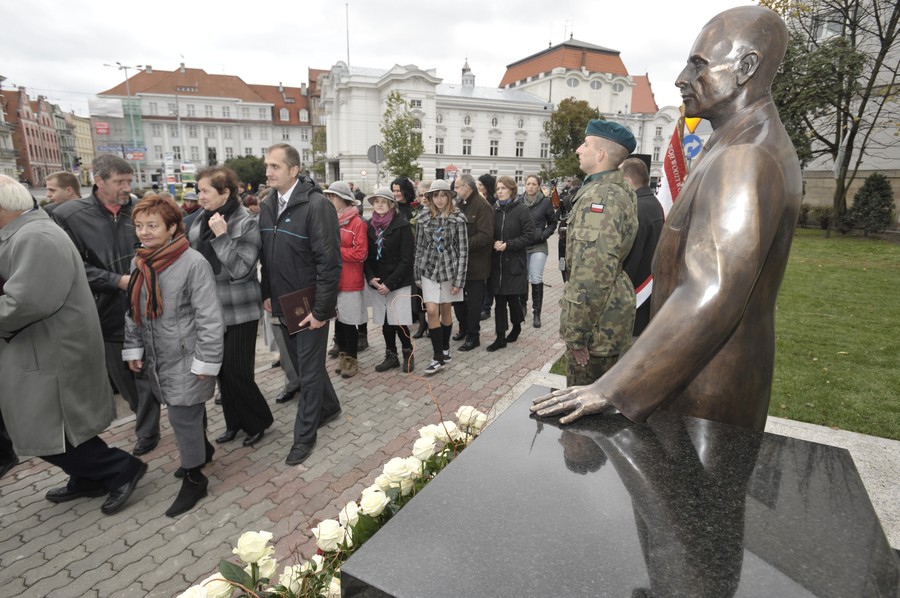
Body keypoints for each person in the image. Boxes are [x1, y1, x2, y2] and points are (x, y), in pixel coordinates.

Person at [532, 6, 802, 432]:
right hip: (698, 372)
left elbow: (710, 290)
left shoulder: (745, 157)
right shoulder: (738, 141)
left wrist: (612, 387)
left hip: (707, 388)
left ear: (747, 67)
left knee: (696, 498)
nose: (681, 77)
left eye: (699, 64)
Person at [0, 175, 146, 515]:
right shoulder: (25, 233)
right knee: (49, 426)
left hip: (50, 351)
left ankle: (120, 469)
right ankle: (87, 476)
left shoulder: (34, 237)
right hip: (41, 347)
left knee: (45, 427)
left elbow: (27, 303)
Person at [52, 154, 162, 457]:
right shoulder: (69, 216)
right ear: (98, 180)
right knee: (125, 376)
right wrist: (116, 281)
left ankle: (148, 430)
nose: (127, 188)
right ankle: (144, 419)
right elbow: (70, 266)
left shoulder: (140, 210)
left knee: (147, 372)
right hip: (105, 311)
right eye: (119, 182)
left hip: (146, 306)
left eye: (129, 181)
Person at [124, 195, 224, 517]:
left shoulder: (193, 263)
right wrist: (134, 348)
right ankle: (203, 450)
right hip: (158, 355)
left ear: (172, 227)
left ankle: (195, 478)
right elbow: (133, 310)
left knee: (182, 416)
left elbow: (210, 317)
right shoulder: (140, 262)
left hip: (186, 356)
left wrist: (206, 362)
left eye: (152, 225)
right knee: (188, 412)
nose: (144, 232)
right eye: (139, 225)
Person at [259, 143, 342, 466]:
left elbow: (329, 263)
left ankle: (304, 436)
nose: (268, 172)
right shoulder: (268, 205)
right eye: (267, 166)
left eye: (275, 166)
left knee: (307, 374)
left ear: (293, 170)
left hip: (308, 304)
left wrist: (321, 311)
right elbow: (267, 254)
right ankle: (330, 407)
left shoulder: (317, 206)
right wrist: (267, 292)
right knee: (304, 366)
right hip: (282, 302)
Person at [190, 166, 273, 448]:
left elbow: (241, 269)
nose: (199, 196)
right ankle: (234, 423)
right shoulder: (199, 221)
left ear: (225, 192)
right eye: (198, 190)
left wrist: (222, 237)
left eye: (205, 191)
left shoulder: (245, 222)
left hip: (240, 311)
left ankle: (259, 420)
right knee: (222, 373)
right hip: (210, 311)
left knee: (238, 373)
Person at [554, 121, 638, 385]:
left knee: (585, 409)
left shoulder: (601, 198)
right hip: (604, 320)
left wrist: (578, 335)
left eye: (586, 144)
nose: (579, 149)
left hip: (597, 329)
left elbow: (593, 274)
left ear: (600, 154)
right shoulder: (610, 190)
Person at [414, 179, 468, 374]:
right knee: (431, 310)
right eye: (435, 195)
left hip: (449, 270)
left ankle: (445, 347)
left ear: (449, 197)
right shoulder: (423, 218)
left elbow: (463, 250)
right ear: (429, 198)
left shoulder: (458, 219)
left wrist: (459, 280)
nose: (439, 199)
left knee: (446, 310)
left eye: (443, 195)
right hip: (428, 269)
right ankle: (438, 356)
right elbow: (419, 247)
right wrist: (417, 273)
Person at [365, 187, 416, 373]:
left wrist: (390, 283)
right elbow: (367, 257)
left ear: (391, 204)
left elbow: (406, 259)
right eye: (376, 201)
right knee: (386, 322)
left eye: (383, 201)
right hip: (379, 283)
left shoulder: (402, 226)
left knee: (399, 320)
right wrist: (371, 278)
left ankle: (408, 353)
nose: (379, 205)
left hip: (398, 281)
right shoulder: (369, 226)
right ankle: (391, 355)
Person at [323, 181, 368, 378]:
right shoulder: (331, 220)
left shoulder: (357, 223)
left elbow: (361, 253)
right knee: (339, 321)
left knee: (349, 323)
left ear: (343, 199)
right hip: (334, 280)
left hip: (350, 280)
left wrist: (336, 251)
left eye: (332, 197)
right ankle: (343, 356)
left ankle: (352, 359)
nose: (329, 200)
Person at [486, 175, 535, 352]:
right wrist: (493, 242)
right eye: (498, 189)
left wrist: (508, 244)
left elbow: (529, 235)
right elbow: (489, 232)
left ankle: (516, 326)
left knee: (513, 300)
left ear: (512, 190)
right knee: (499, 301)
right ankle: (500, 337)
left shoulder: (522, 210)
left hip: (515, 263)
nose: (499, 191)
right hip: (497, 264)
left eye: (503, 188)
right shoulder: (494, 210)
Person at [621, 157, 665, 337]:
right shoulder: (654, 204)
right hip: (648, 288)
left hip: (635, 293)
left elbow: (632, 256)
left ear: (627, 181)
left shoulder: (636, 209)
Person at [451, 174, 493, 351]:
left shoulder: (483, 206)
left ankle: (473, 336)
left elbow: (485, 236)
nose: (455, 190)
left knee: (474, 303)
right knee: (458, 301)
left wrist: (463, 246)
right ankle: (463, 328)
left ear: (467, 187)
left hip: (476, 264)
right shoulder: (460, 205)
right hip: (459, 264)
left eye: (458, 187)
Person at [520, 174, 559, 328]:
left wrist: (543, 235)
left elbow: (552, 222)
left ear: (538, 186)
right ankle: (523, 307)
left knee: (535, 277)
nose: (530, 186)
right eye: (528, 183)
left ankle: (537, 313)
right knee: (523, 278)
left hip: (538, 246)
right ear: (525, 185)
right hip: (522, 245)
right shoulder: (518, 202)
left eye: (534, 184)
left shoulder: (545, 202)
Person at [477, 174, 497, 321]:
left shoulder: (492, 202)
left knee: (488, 279)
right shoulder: (477, 201)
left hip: (491, 245)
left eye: (482, 185)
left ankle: (486, 307)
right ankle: (481, 305)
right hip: (481, 245)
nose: (479, 188)